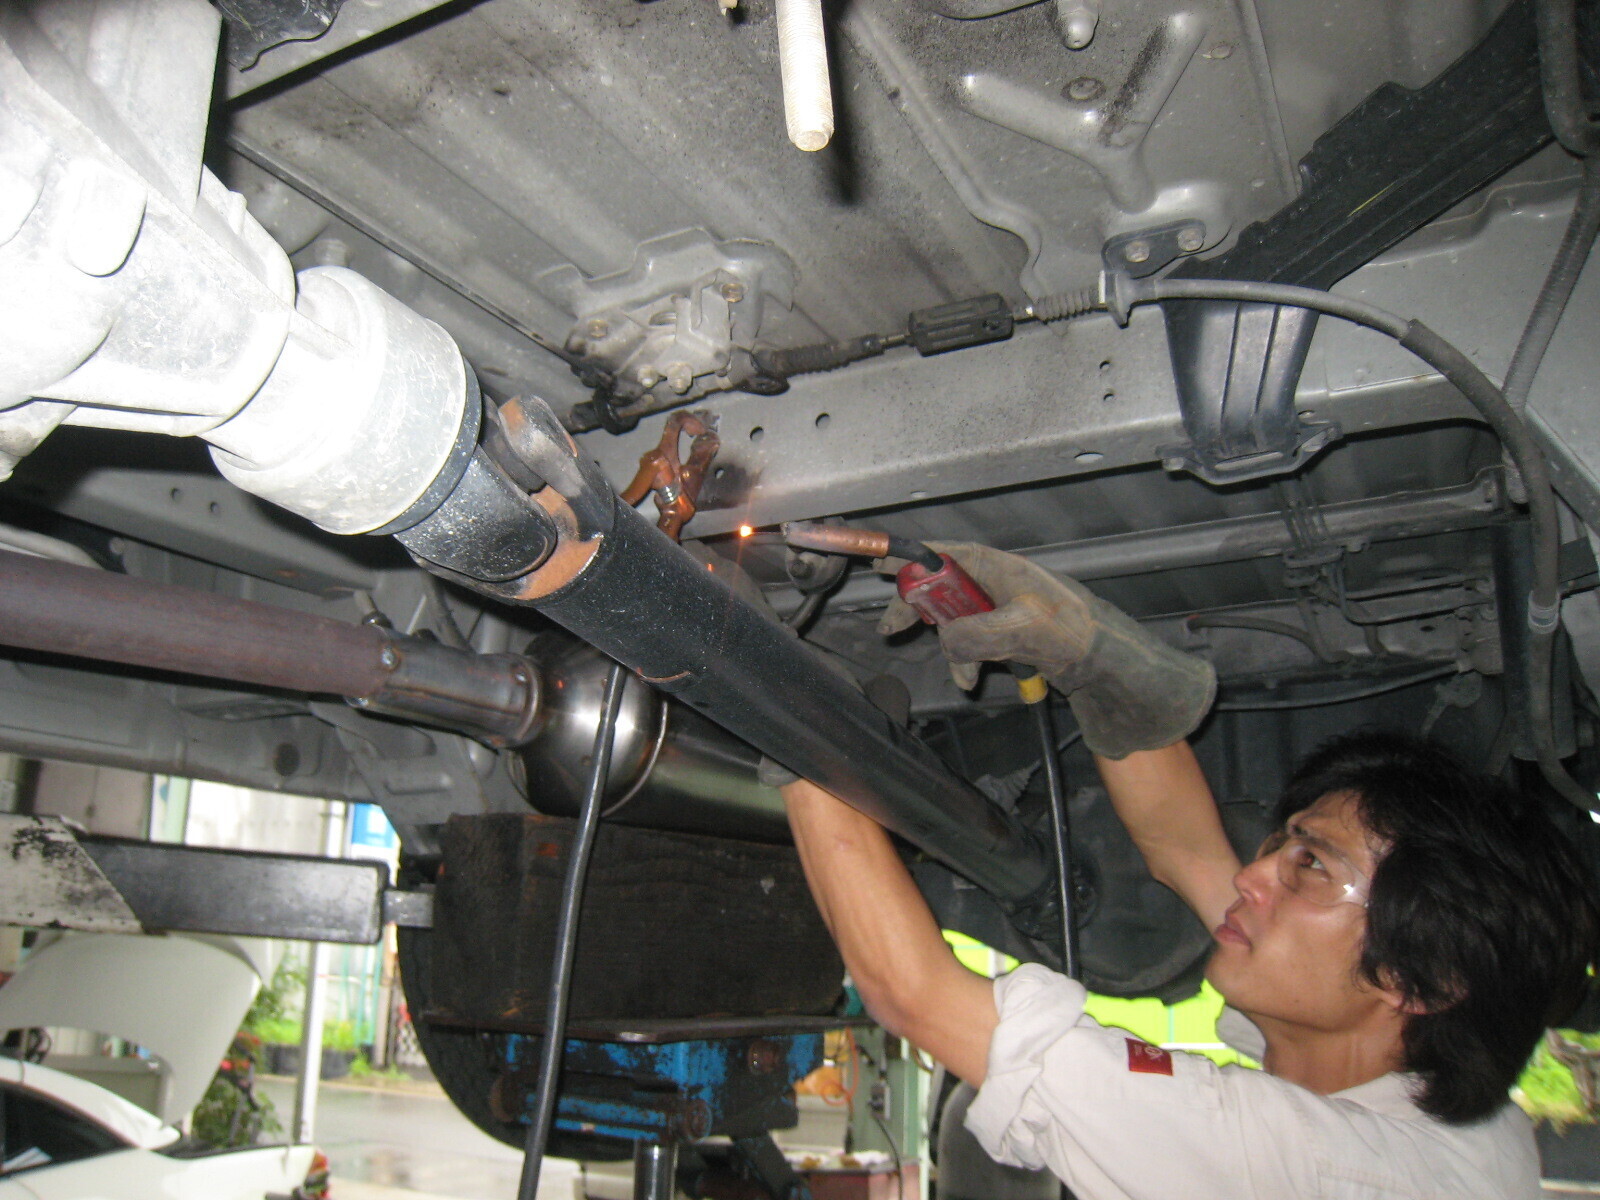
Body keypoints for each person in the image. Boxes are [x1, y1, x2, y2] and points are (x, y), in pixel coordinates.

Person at [782, 542, 1600, 1199]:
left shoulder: (1304, 1166)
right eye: (1285, 845)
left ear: (1422, 982)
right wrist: (1094, 660)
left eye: (1311, 866)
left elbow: (915, 994)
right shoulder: (1441, 1108)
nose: (1254, 877)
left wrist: (794, 715)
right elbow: (1191, 857)